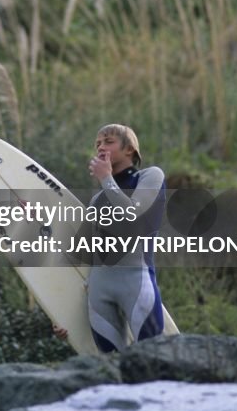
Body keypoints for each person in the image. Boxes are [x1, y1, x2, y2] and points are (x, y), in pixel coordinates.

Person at [56, 123, 166, 353]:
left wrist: (106, 179)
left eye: (108, 141)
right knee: (110, 370)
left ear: (130, 150)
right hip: (99, 292)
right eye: (97, 144)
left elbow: (134, 218)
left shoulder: (150, 177)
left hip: (136, 284)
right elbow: (78, 251)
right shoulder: (97, 200)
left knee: (153, 360)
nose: (100, 147)